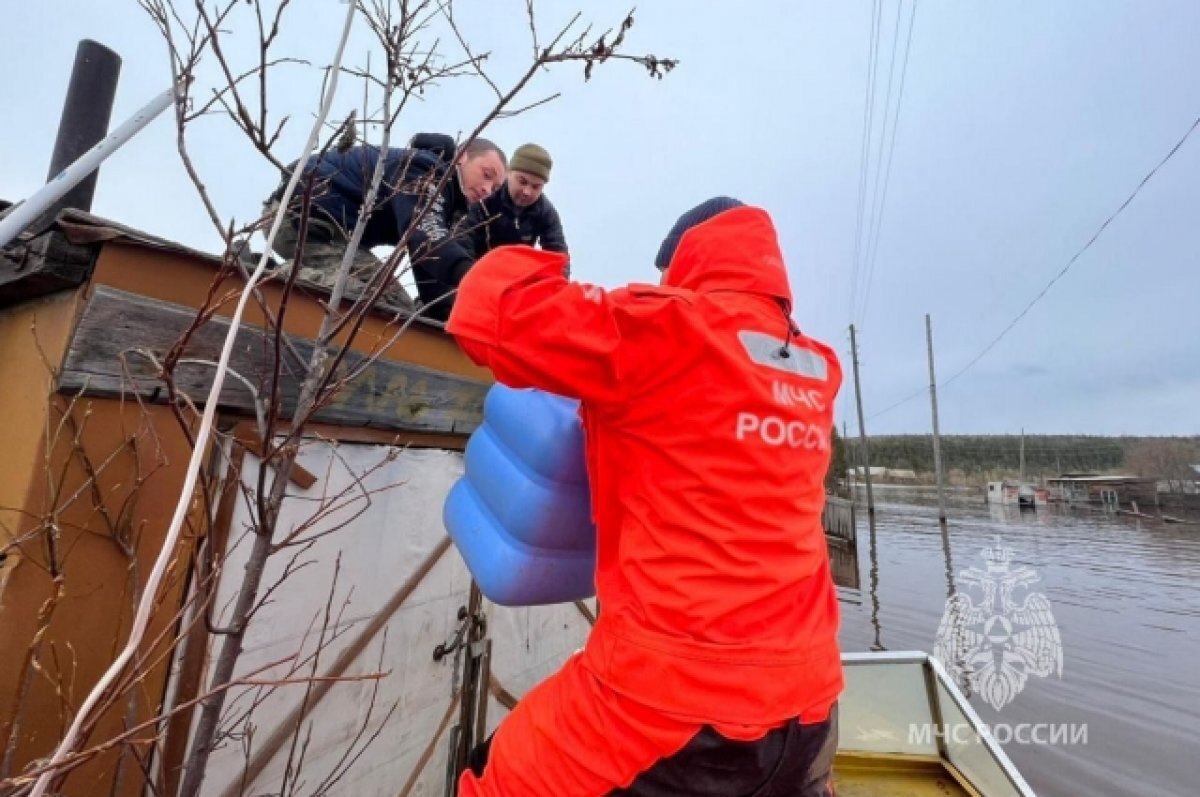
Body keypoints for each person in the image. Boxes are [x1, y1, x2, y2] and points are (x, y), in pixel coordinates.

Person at [446, 197, 845, 796]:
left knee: (488, 778)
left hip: (672, 708)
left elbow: (489, 311)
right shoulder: (817, 367)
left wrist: (523, 236)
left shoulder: (663, 326)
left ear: (680, 262)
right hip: (812, 705)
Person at [265, 136, 506, 318]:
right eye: (486, 174)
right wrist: (473, 277)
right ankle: (268, 273)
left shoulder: (448, 200)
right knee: (375, 300)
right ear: (462, 155)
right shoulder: (424, 170)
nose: (487, 189)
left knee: (399, 307)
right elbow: (425, 236)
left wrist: (442, 313)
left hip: (335, 236)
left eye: (494, 189)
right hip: (300, 220)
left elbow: (427, 259)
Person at [466, 143, 567, 257]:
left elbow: (558, 254)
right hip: (477, 266)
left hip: (517, 270)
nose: (527, 192)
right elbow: (463, 238)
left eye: (536, 187)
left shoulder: (544, 211)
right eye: (522, 182)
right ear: (508, 173)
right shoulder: (485, 197)